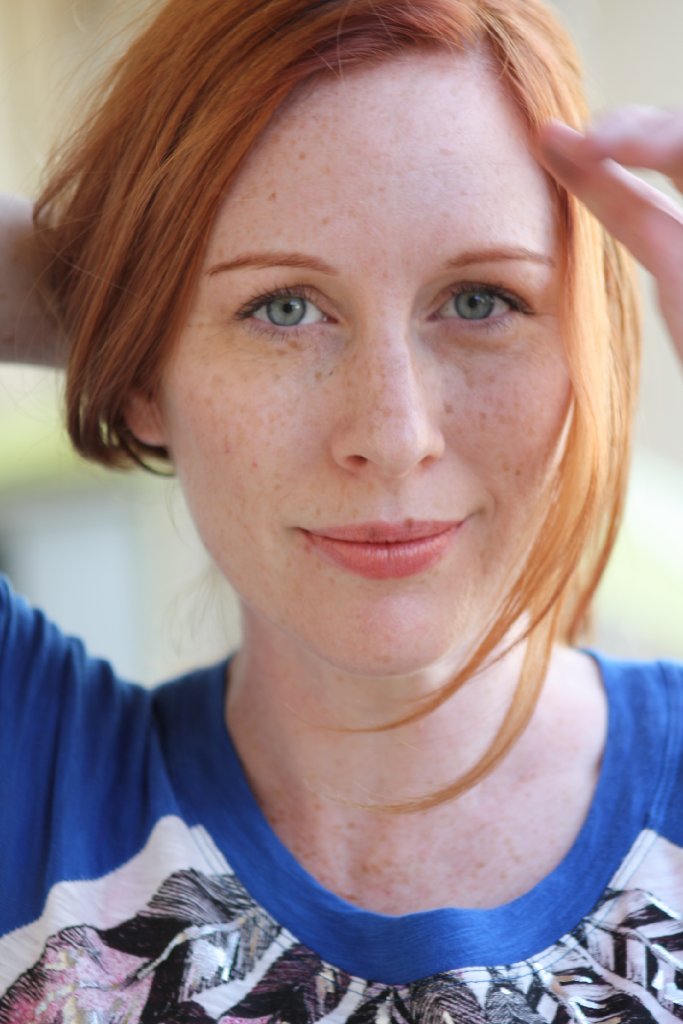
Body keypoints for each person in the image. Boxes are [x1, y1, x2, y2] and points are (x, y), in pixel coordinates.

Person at [0, 0, 682, 1018]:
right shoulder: (30, 781)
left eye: (479, 299)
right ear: (145, 371)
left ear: (581, 341)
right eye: (283, 308)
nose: (394, 432)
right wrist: (115, 301)